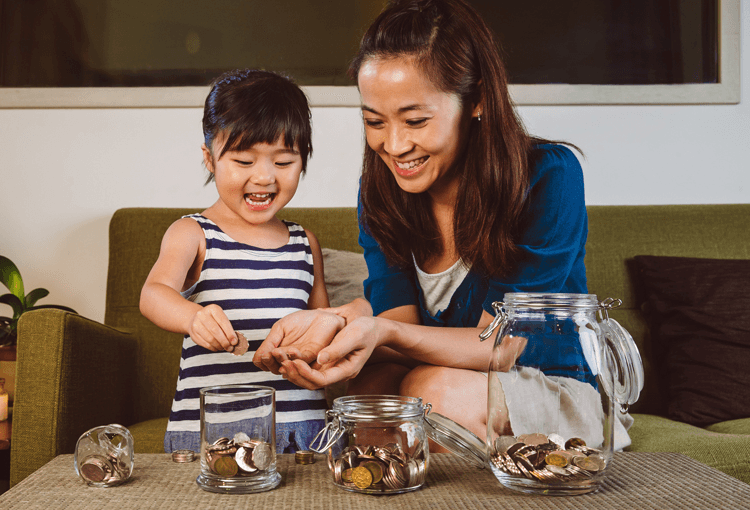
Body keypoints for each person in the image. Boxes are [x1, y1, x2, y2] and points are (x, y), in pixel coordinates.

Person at [253, 0, 632, 449]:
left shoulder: (549, 177)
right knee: (371, 397)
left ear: (477, 101)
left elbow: (503, 346)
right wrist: (331, 329)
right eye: (374, 121)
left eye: (416, 120)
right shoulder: (380, 191)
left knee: (429, 391)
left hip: (551, 386)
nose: (393, 145)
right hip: (446, 382)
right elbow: (399, 322)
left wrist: (382, 331)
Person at [140, 69, 330, 454]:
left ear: (304, 160)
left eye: (283, 162)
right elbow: (153, 294)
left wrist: (310, 350)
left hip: (303, 429)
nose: (263, 177)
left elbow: (321, 327)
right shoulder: (193, 233)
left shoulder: (305, 242)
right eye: (244, 161)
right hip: (212, 432)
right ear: (210, 159)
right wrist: (193, 318)